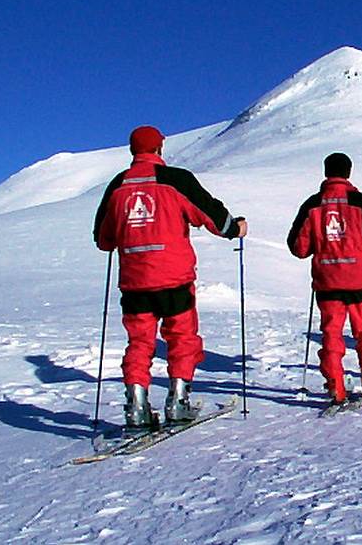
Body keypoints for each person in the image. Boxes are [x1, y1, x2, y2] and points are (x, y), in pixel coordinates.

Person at [93, 125, 247, 428]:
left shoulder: (117, 186)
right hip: (174, 278)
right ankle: (178, 401)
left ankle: (136, 405)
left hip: (134, 282)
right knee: (181, 338)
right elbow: (212, 215)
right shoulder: (176, 180)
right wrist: (235, 228)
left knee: (139, 342)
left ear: (132, 150)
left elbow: (103, 239)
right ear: (160, 148)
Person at [287, 153, 362, 404]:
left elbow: (297, 247)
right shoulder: (361, 202)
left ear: (326, 172)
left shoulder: (312, 206)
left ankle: (335, 384)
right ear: (348, 172)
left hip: (327, 281)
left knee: (331, 333)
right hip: (358, 280)